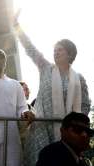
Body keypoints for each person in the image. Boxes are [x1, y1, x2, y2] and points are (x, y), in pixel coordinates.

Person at [12, 12, 91, 166]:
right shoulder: (46, 68)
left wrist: (74, 125)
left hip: (68, 131)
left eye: (60, 49)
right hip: (42, 128)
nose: (56, 52)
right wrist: (16, 26)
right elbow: (30, 48)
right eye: (55, 49)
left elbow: (85, 106)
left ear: (70, 54)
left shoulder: (79, 79)